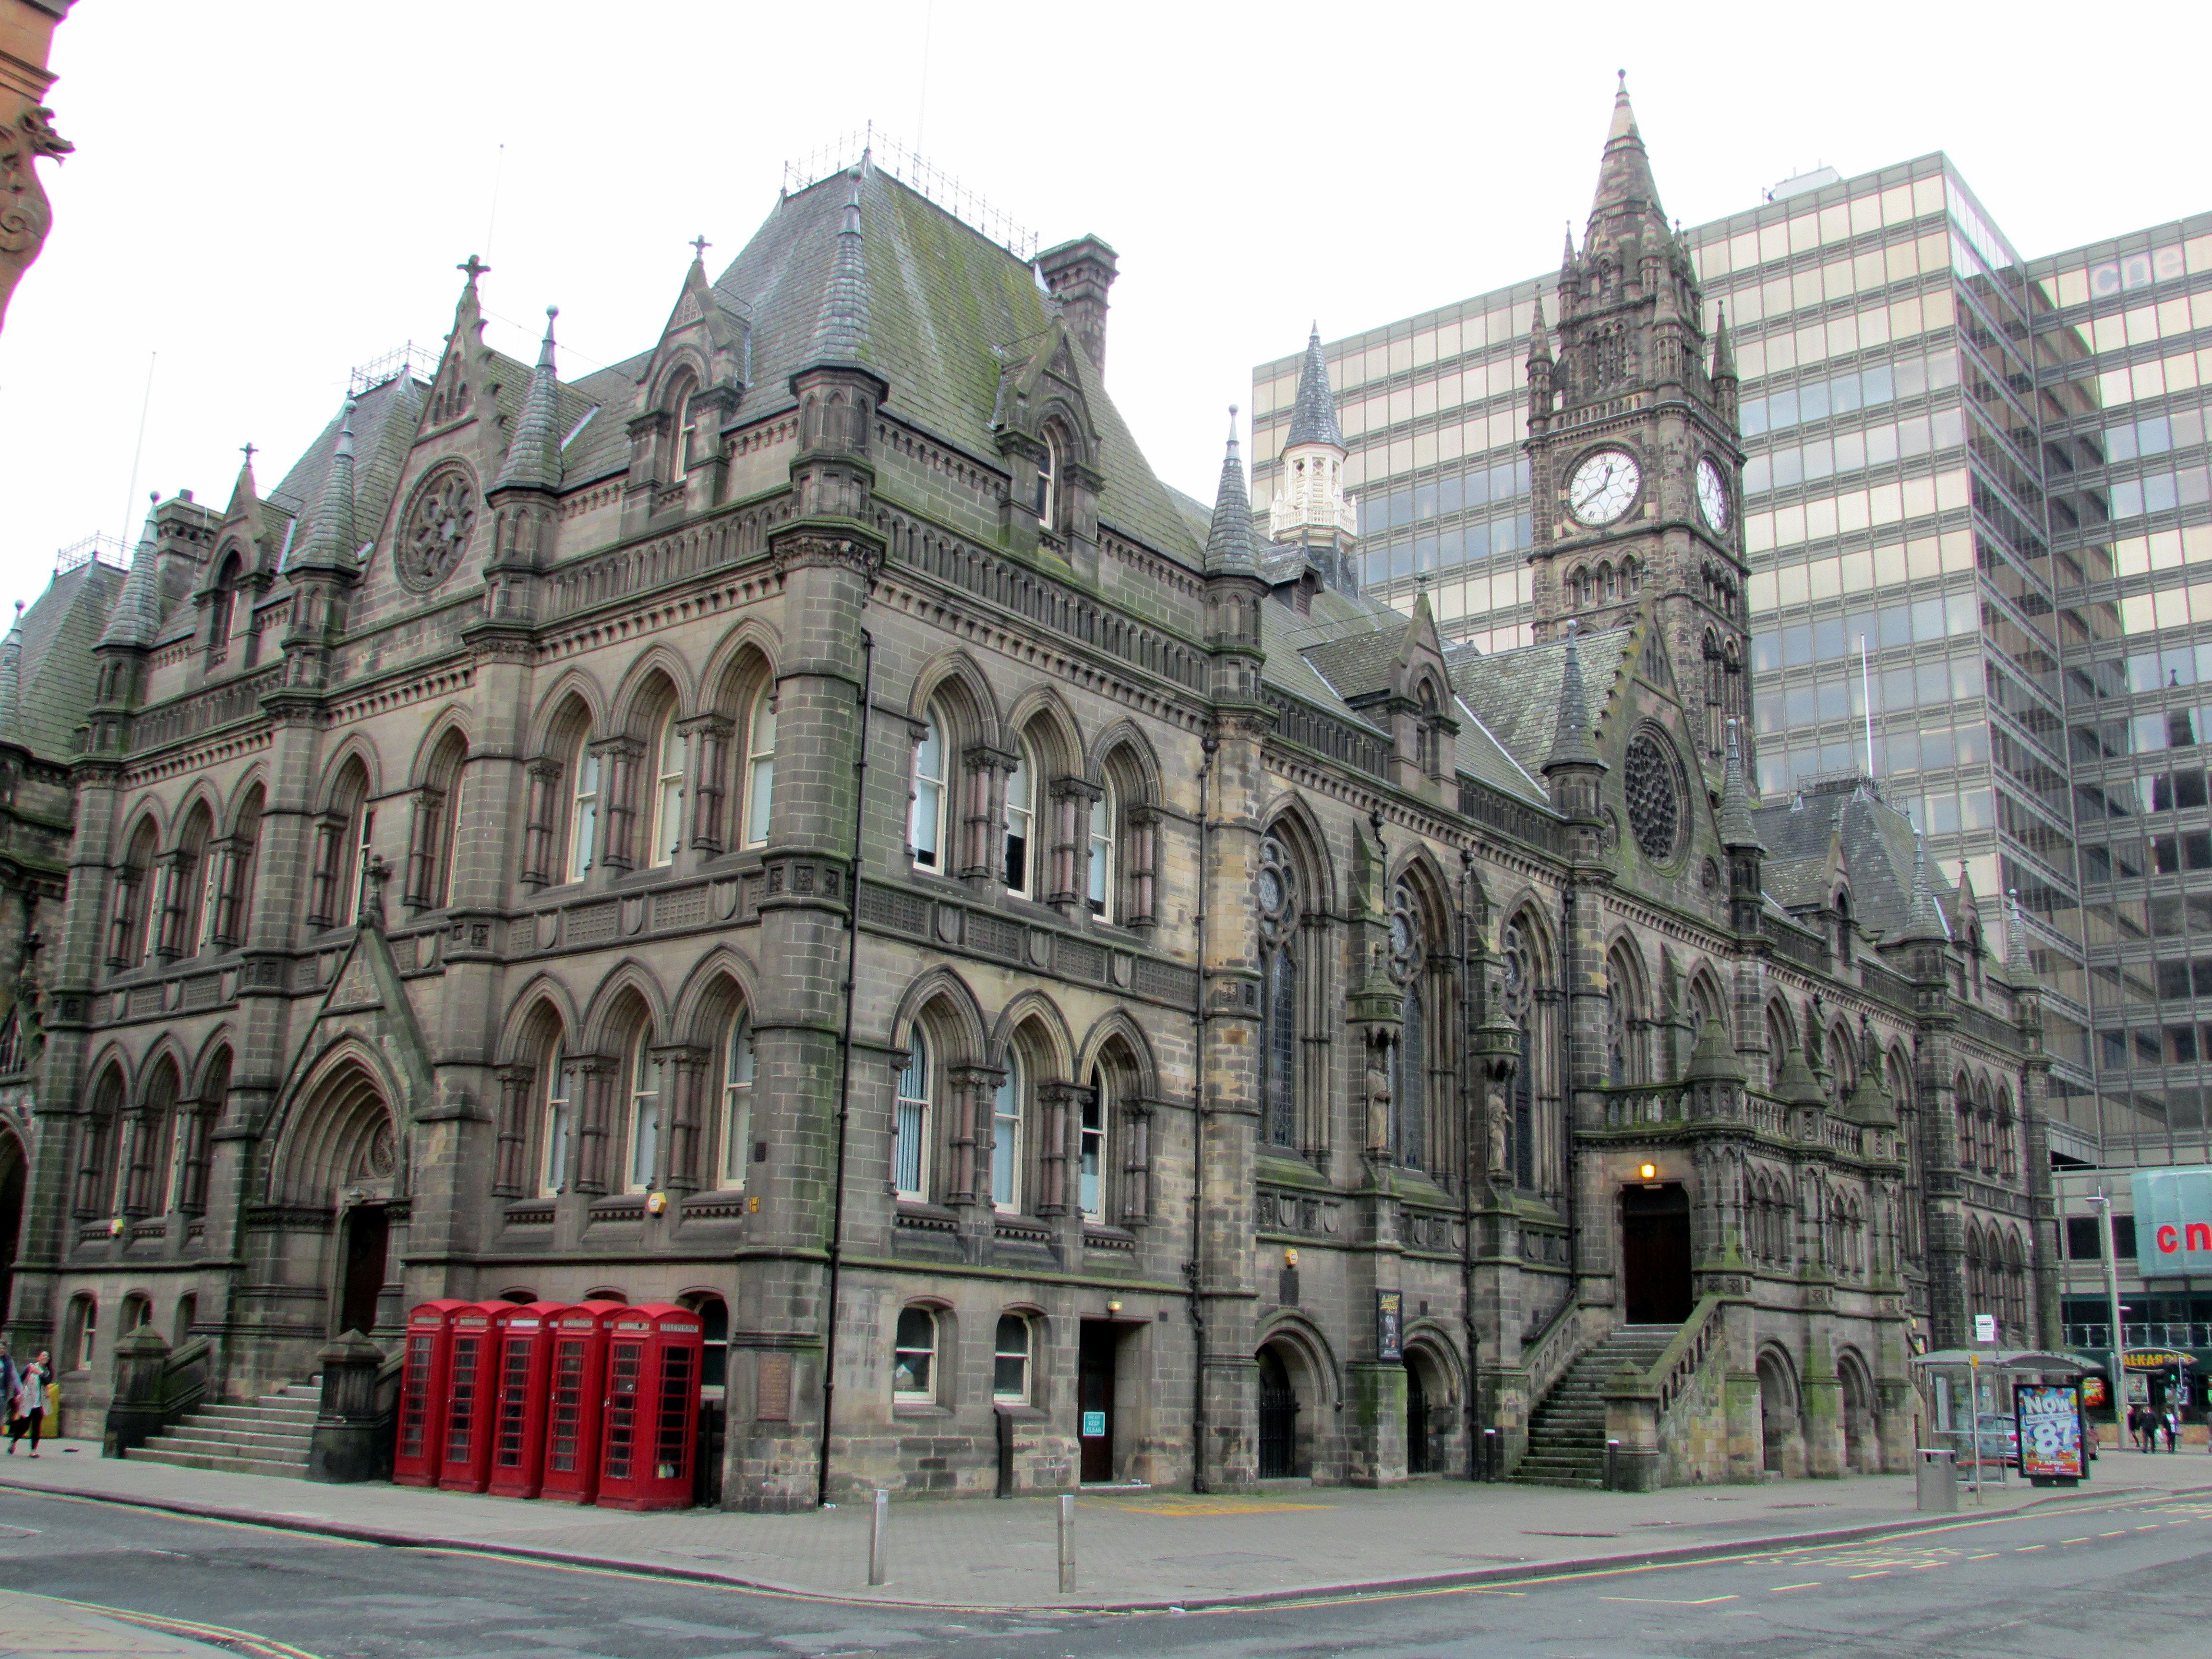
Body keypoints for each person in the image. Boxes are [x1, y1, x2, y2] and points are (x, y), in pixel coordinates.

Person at [6, 1350, 44, 1456]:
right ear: (38, 1358)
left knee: (37, 1427)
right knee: (25, 1426)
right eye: (43, 1356)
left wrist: (40, 1373)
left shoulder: (47, 1371)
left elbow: (48, 1381)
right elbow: (19, 1381)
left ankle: (33, 1451)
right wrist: (18, 1394)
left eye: (47, 1357)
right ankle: (14, 1441)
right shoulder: (30, 1368)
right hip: (28, 1401)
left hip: (40, 1403)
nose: (45, 1358)